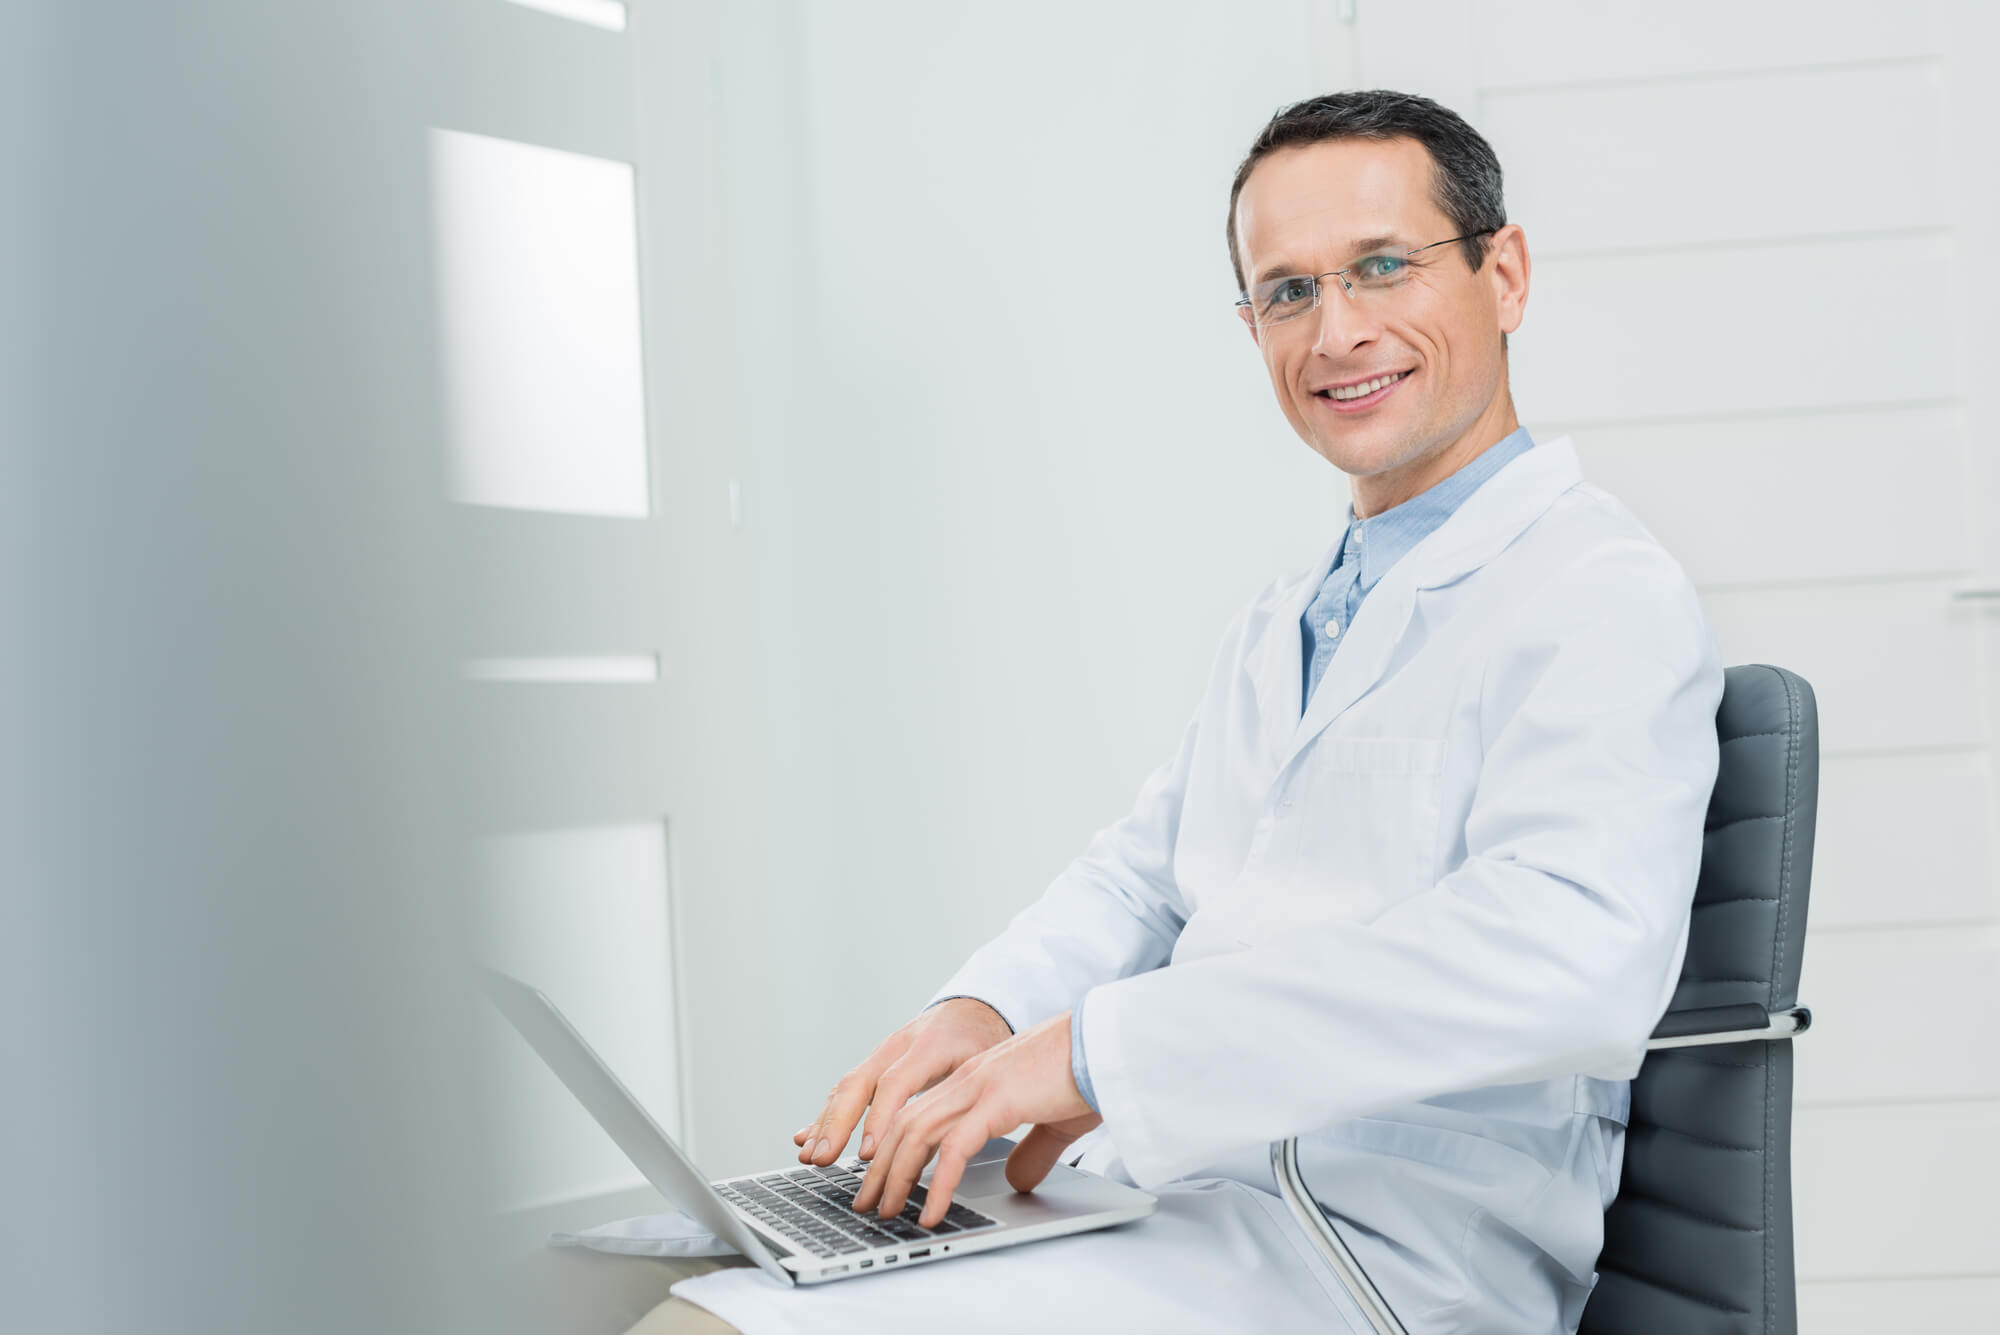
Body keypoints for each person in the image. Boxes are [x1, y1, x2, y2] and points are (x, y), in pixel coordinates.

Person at [572, 88, 1724, 1334]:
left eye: (1380, 268)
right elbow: (1148, 880)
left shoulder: (1598, 593)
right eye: (1287, 291)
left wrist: (1087, 1056)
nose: (1335, 331)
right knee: (586, 1279)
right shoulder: (1292, 618)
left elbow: (1569, 957)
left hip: (1373, 1255)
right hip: (1169, 1204)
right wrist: (988, 1014)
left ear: (1502, 274)